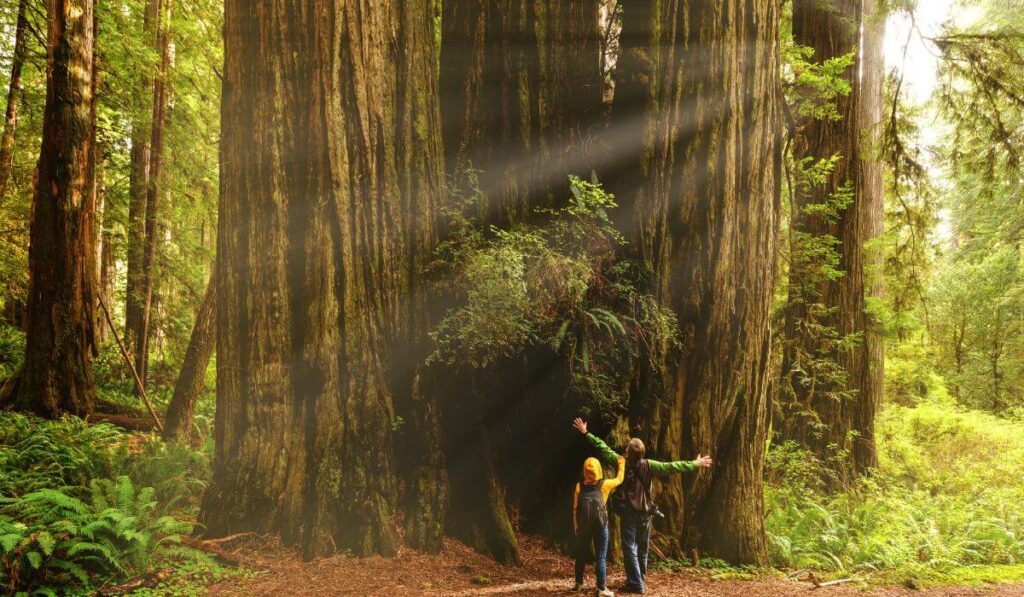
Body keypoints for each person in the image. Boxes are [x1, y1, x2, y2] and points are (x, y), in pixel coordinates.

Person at [572, 417, 713, 595]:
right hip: (645, 512)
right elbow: (672, 466)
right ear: (642, 453)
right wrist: (695, 463)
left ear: (629, 452)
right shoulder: (649, 465)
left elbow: (602, 448)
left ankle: (636, 583)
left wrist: (586, 433)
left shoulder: (620, 461)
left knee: (630, 547)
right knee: (642, 548)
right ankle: (638, 580)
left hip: (629, 513)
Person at [572, 431, 624, 597]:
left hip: (583, 525)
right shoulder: (604, 485)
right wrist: (621, 463)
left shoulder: (579, 486)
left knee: (581, 553)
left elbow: (575, 509)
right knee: (600, 555)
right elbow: (619, 479)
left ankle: (578, 583)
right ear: (599, 470)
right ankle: (601, 588)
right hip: (601, 524)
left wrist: (576, 526)